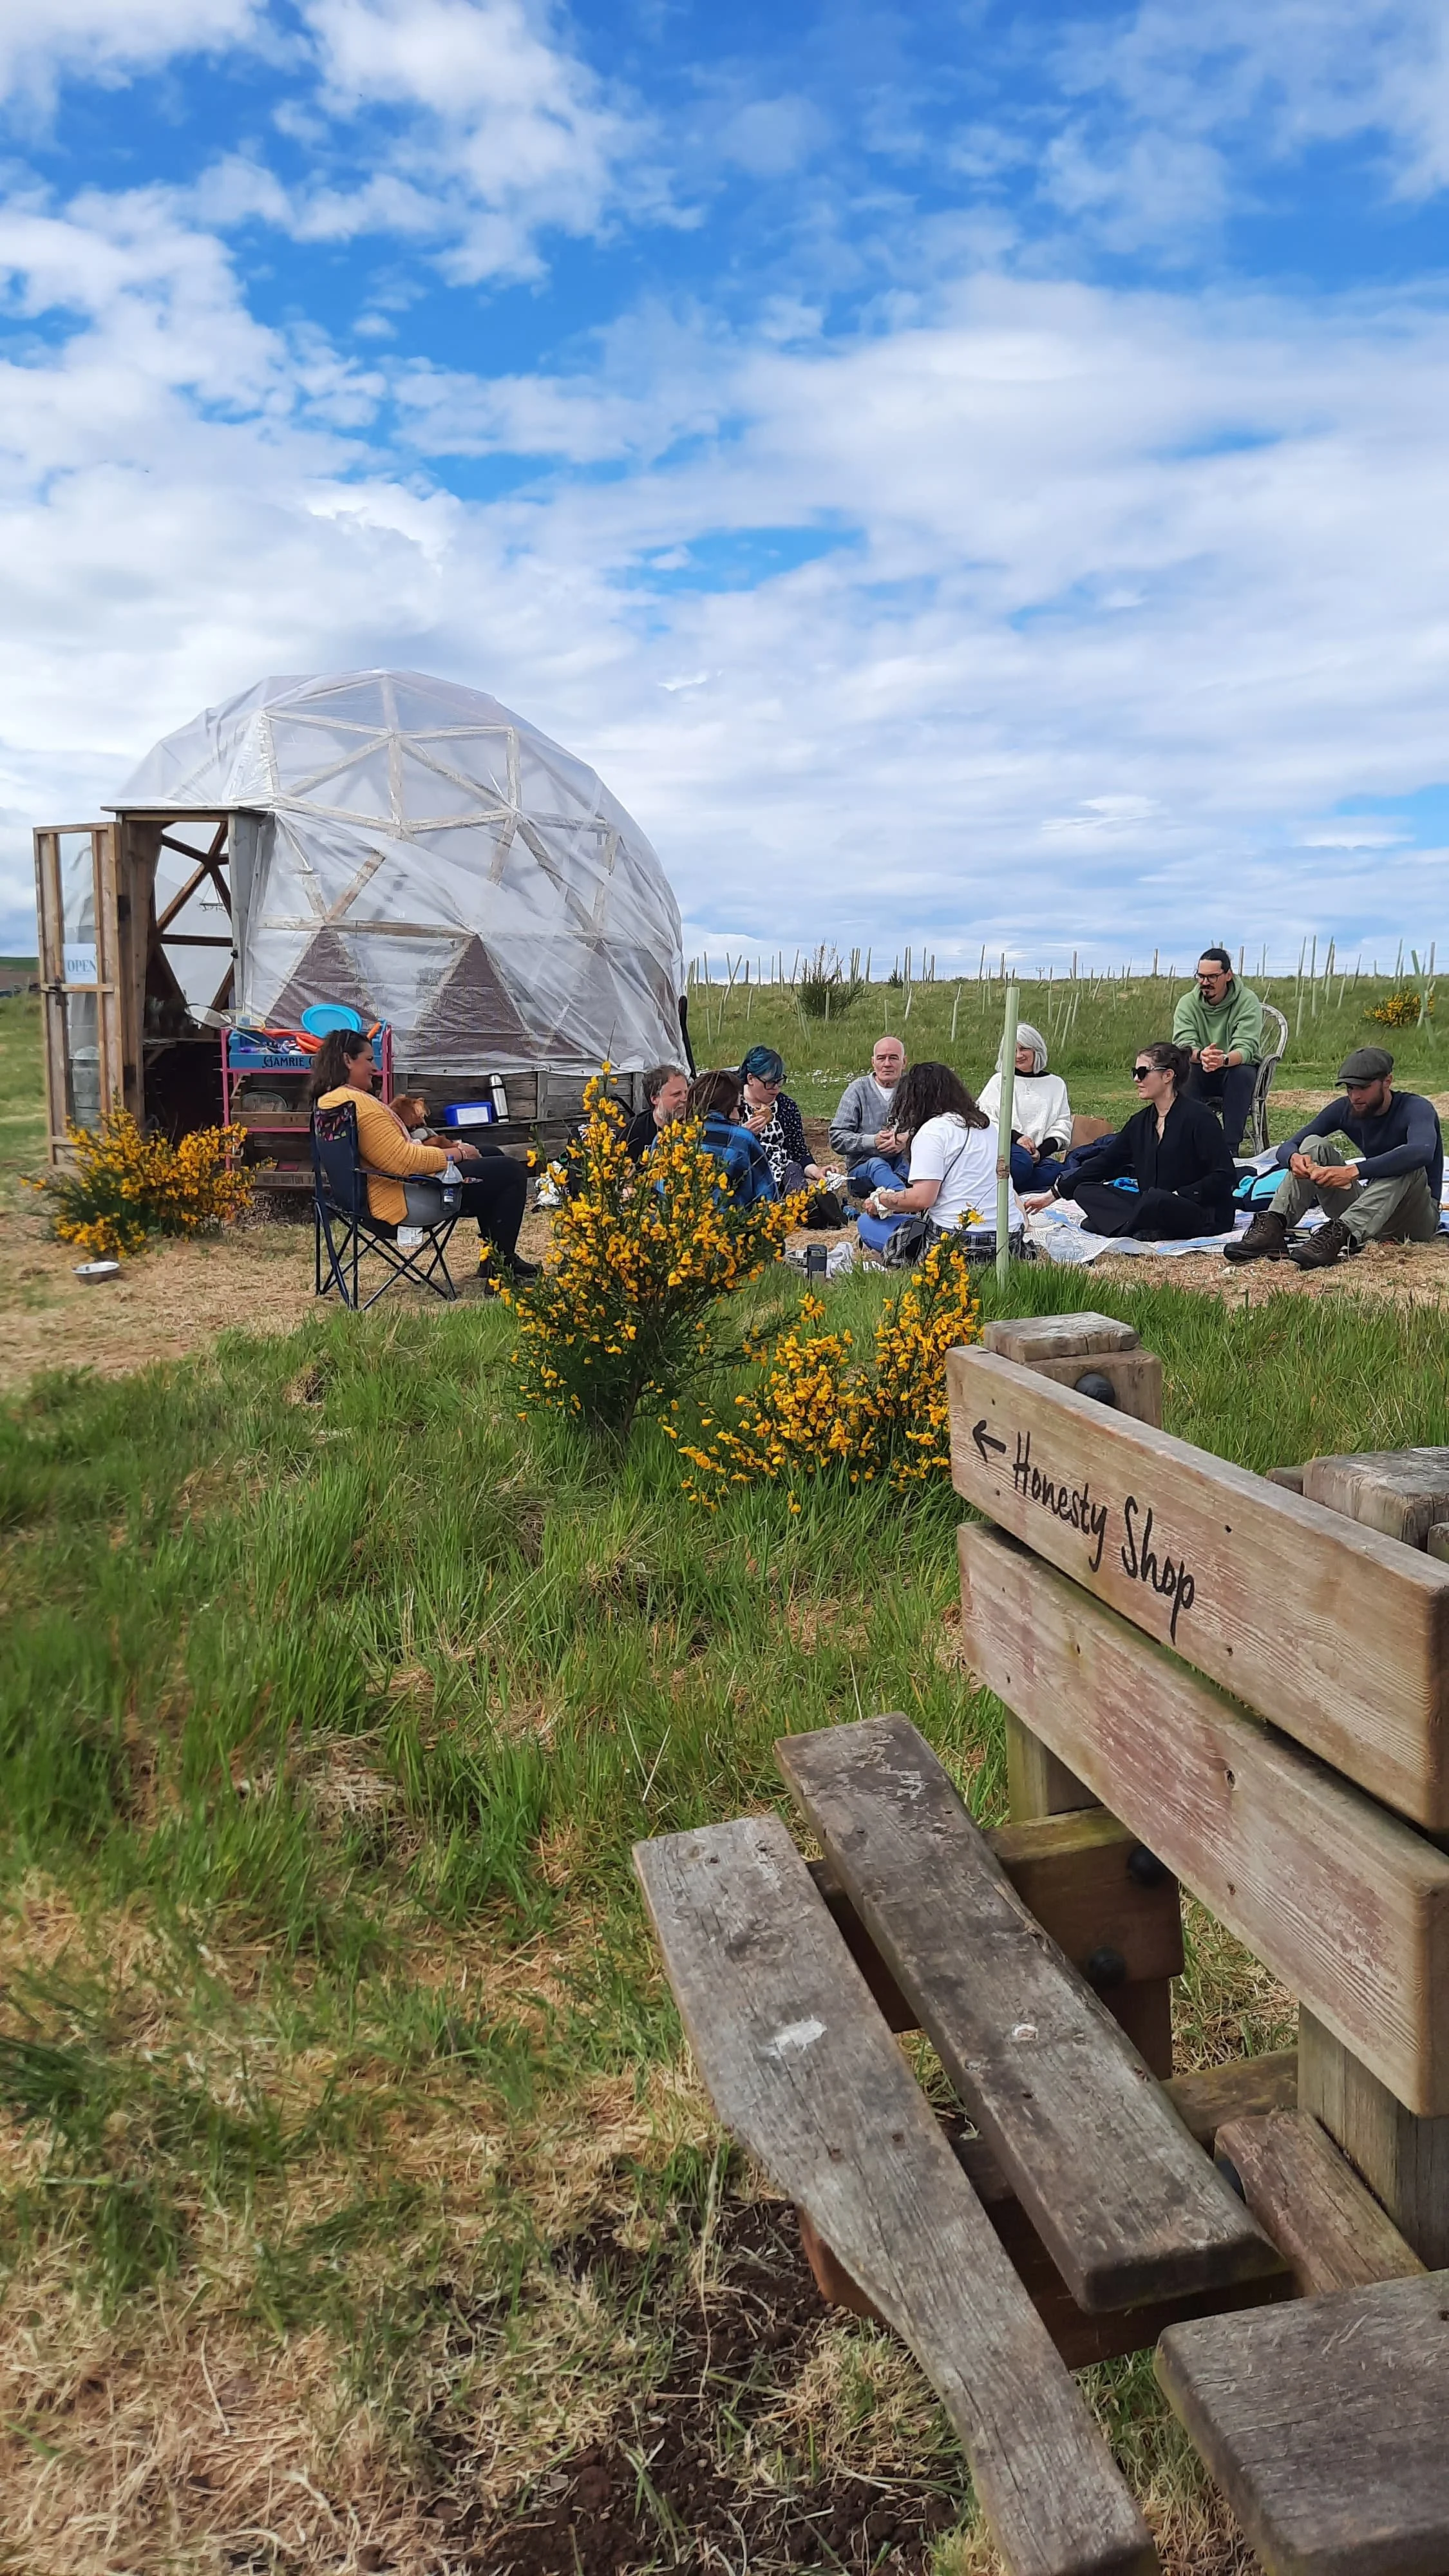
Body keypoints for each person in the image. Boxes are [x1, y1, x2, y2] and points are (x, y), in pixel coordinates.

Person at [310, 1030, 534, 1285]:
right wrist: (457, 1152)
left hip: (361, 1201)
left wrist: (453, 1153)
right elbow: (405, 1162)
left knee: (490, 1156)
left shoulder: (330, 1102)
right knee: (509, 1172)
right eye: (369, 1060)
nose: (375, 1067)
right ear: (348, 1060)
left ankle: (496, 1259)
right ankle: (502, 1272)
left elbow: (393, 1155)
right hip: (401, 1204)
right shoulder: (360, 1105)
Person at [1225, 1045, 1444, 1268]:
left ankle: (1337, 1237)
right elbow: (1290, 1145)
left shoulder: (1416, 1108)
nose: (1355, 1096)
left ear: (1387, 1081)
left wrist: (1353, 1171)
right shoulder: (1346, 1108)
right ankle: (1273, 1227)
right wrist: (1294, 1159)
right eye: (1350, 1088)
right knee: (1312, 1145)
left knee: (1405, 1162)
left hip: (1416, 1217)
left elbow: (1421, 1151)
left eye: (1363, 1088)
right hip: (1372, 1211)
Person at [1022, 1039, 1235, 1240]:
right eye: (1135, 1072)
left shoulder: (1200, 1118)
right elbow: (1105, 1162)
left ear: (1168, 1076)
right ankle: (1138, 1226)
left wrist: (1180, 1194)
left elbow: (1224, 1175)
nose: (1136, 1079)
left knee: (1154, 1200)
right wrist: (1052, 1194)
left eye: (1142, 1073)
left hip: (1199, 1210)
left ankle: (1124, 1225)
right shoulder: (1140, 1123)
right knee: (1085, 1190)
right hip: (1151, 1205)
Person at [856, 1061, 1017, 1256]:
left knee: (866, 1223)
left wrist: (882, 1200)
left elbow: (922, 1199)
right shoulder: (989, 1126)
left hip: (958, 1242)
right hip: (1009, 1239)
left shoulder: (933, 1132)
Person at [1173, 947, 1264, 1151]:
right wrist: (1201, 1056)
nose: (1205, 983)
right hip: (1201, 1067)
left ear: (1228, 975)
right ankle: (1193, 1144)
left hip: (1233, 1067)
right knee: (1184, 1070)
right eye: (1201, 976)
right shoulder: (1187, 1003)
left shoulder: (1247, 1001)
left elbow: (1247, 1046)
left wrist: (1222, 1060)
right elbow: (1183, 1043)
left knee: (1242, 1073)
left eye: (1212, 977)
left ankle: (1230, 1148)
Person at [978, 1025, 1073, 1193]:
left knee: (1060, 1172)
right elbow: (985, 1118)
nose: (1018, 1055)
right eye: (1013, 1050)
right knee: (1021, 1164)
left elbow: (1062, 1124)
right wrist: (1017, 1138)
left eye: (1023, 1049)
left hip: (1037, 1157)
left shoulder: (1056, 1084)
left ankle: (1008, 1188)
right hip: (1007, 1150)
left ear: (1036, 1049)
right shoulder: (999, 1081)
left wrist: (1041, 1152)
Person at [737, 1046, 825, 1196]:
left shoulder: (786, 1106)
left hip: (785, 1170)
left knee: (794, 1171)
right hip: (747, 1171)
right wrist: (743, 1134)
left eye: (779, 1082)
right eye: (770, 1083)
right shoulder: (733, 1105)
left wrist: (816, 1172)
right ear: (751, 1079)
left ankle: (802, 1205)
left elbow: (798, 1151)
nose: (776, 1089)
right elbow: (724, 1148)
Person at [688, 1068, 777, 1206]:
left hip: (672, 1225)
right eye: (740, 1109)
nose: (740, 1116)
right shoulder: (743, 1140)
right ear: (727, 1107)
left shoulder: (665, 1139)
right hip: (731, 1225)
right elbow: (768, 1198)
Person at [833, 1036, 907, 1197]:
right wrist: (872, 1141)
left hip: (902, 1164)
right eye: (881, 1058)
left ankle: (897, 1187)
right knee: (877, 1164)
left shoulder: (914, 1089)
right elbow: (837, 1139)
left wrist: (906, 1139)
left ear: (904, 1062)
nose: (887, 1064)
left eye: (893, 1058)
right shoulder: (857, 1090)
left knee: (916, 1157)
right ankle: (902, 1198)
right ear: (873, 1062)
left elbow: (934, 1126)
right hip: (864, 1170)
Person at [624, 1063, 689, 1160]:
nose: (685, 1099)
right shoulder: (634, 1131)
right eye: (677, 1094)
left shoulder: (694, 1128)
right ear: (655, 1099)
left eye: (686, 1092)